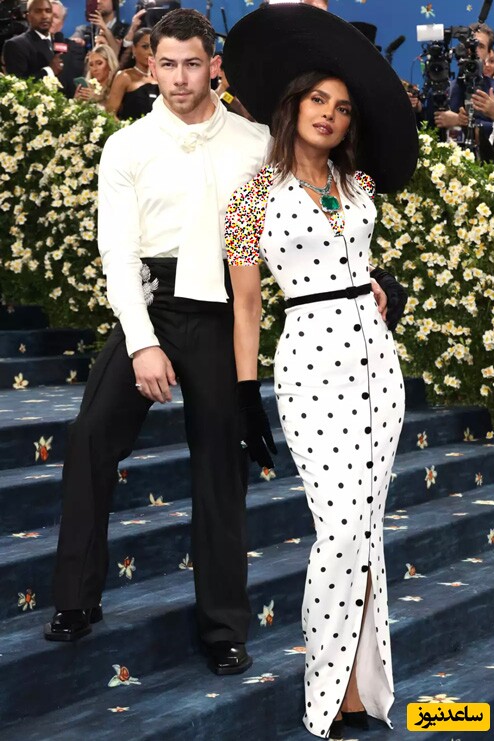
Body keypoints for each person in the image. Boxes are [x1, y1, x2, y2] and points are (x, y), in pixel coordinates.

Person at [44, 8, 273, 679]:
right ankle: (76, 599)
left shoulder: (257, 144)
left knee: (222, 466)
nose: (179, 78)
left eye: (192, 64)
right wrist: (142, 344)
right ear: (149, 66)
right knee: (90, 438)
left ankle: (224, 628)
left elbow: (285, 231)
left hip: (221, 311)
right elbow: (117, 251)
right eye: (167, 65)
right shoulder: (128, 146)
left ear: (213, 66)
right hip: (150, 306)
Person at [223, 4, 417, 738]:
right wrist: (247, 394)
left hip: (377, 365)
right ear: (293, 105)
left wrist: (384, 286)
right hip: (310, 366)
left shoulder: (357, 183)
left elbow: (361, 263)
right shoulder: (248, 198)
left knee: (366, 529)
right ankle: (326, 694)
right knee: (337, 530)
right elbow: (247, 304)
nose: (329, 114)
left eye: (341, 107)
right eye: (317, 100)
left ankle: (361, 694)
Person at [434, 23, 494, 137]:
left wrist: (461, 122)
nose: (474, 50)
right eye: (470, 44)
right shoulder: (445, 89)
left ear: (488, 53)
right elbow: (429, 128)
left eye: (481, 46)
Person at [3, 0, 64, 81]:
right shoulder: (15, 45)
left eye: (48, 11)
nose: (44, 16)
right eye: (38, 11)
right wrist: (49, 71)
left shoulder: (57, 42)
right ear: (28, 17)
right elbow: (18, 84)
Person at [106, 28, 159, 120]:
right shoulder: (124, 77)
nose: (150, 52)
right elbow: (110, 113)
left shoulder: (160, 78)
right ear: (134, 49)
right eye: (145, 47)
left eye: (153, 47)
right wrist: (127, 128)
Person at [50, 0, 85, 99]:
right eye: (48, 14)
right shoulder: (28, 45)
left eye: (55, 16)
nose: (50, 19)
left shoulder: (74, 49)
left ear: (61, 24)